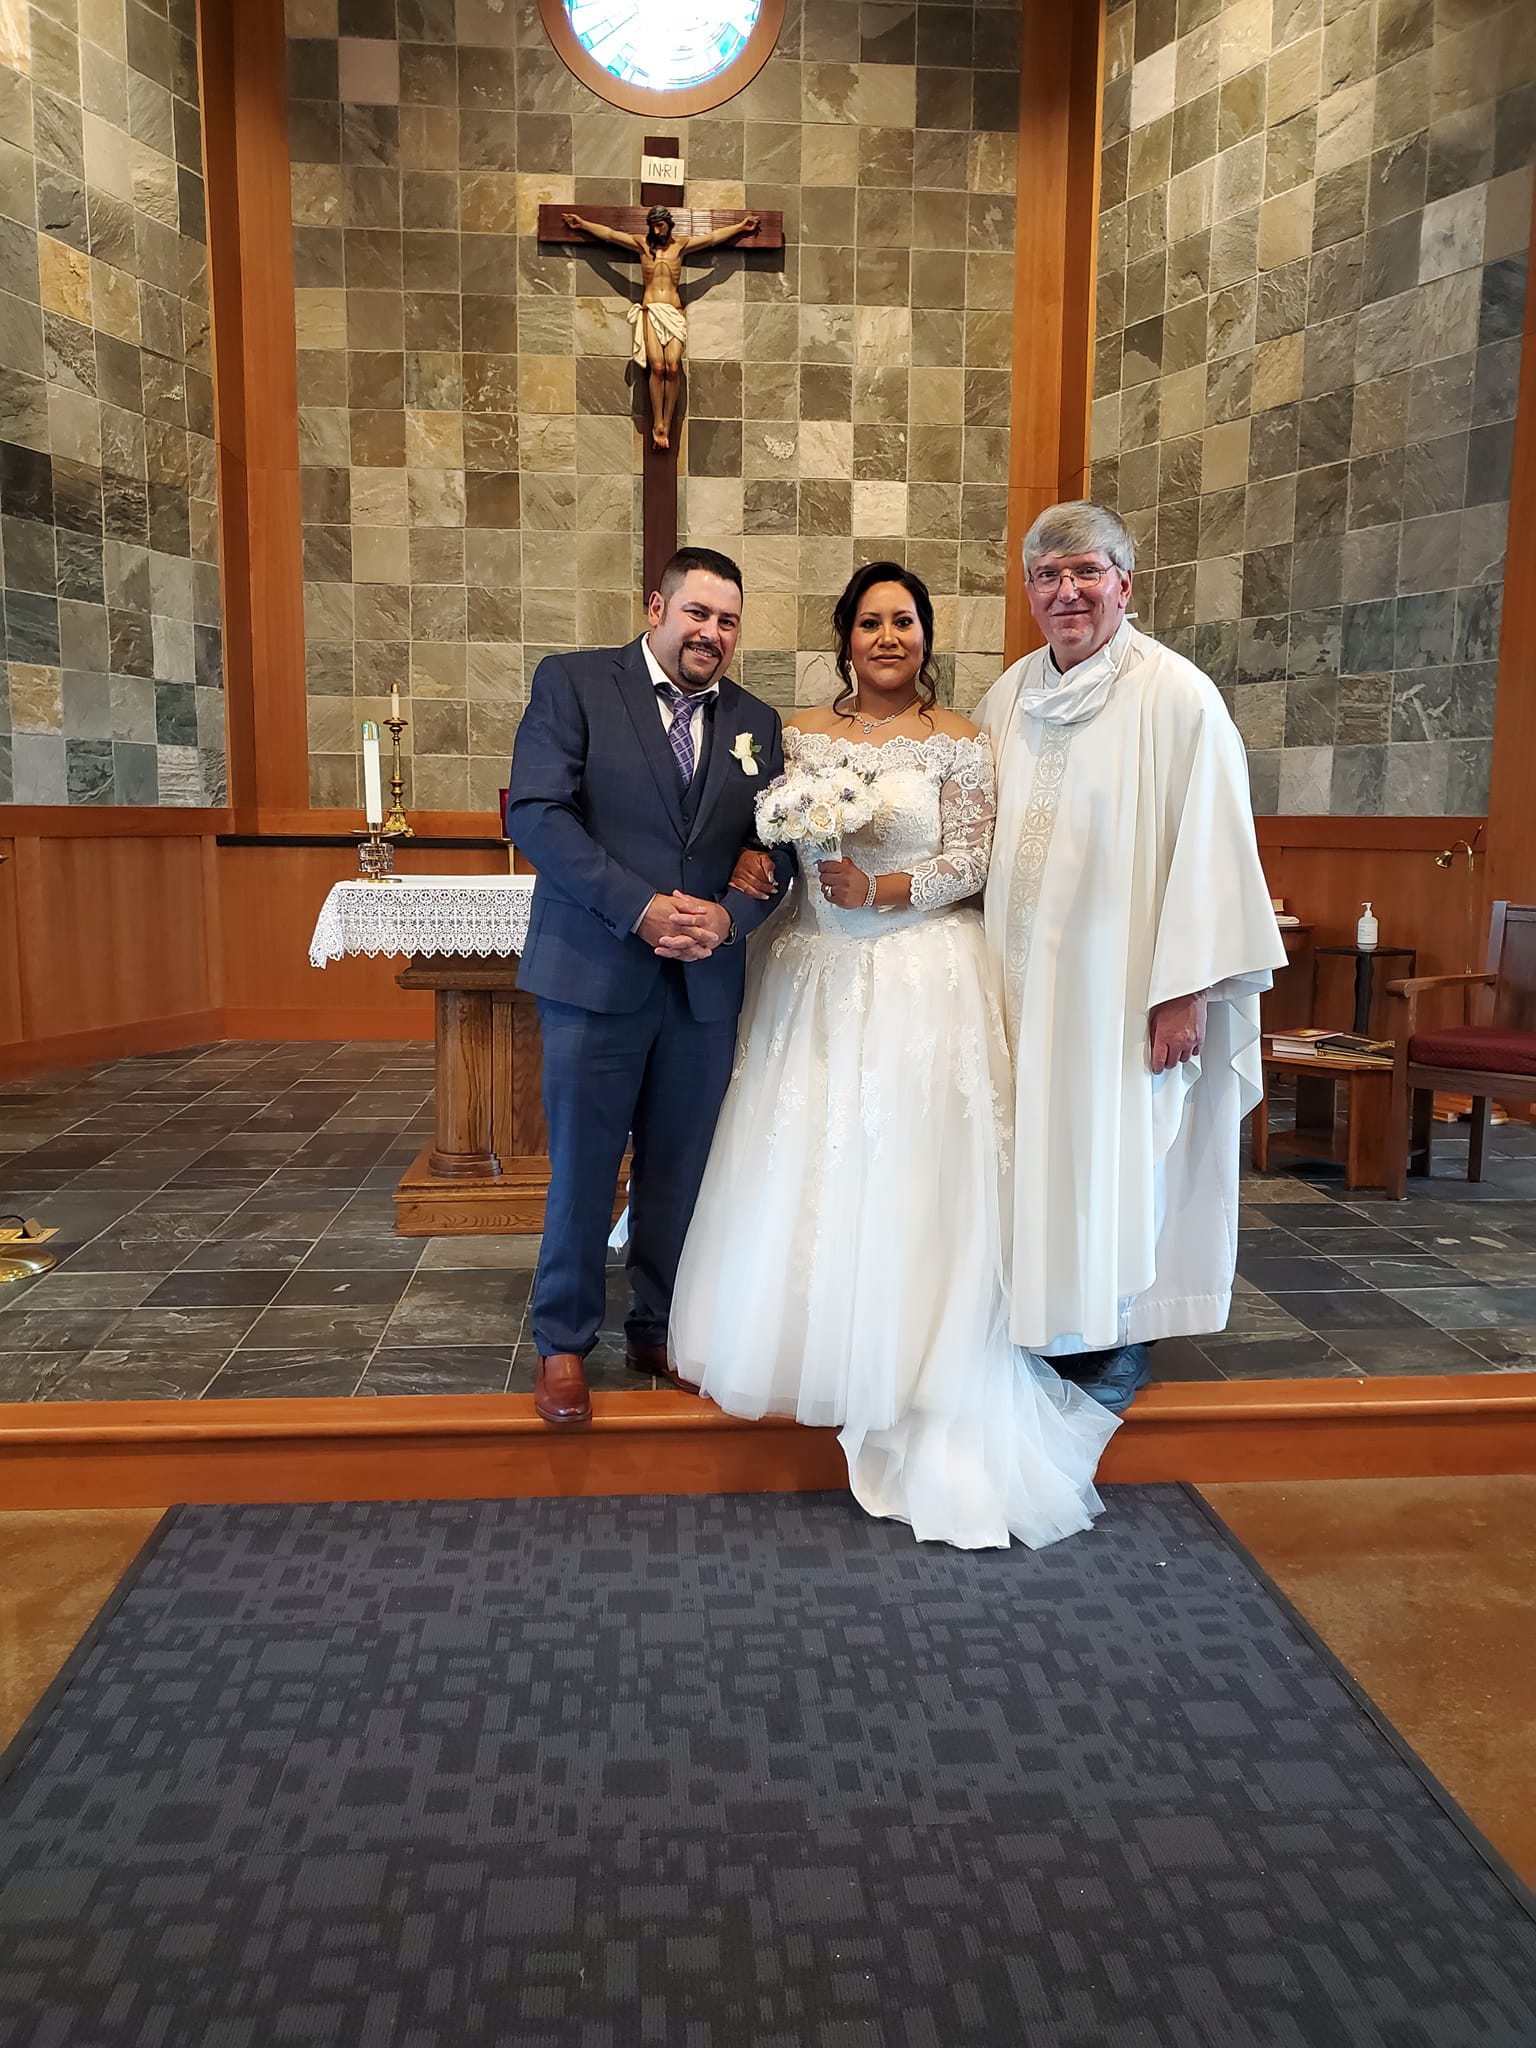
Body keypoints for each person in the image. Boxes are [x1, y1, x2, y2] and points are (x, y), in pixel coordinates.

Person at [669, 564, 1118, 1550]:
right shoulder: (795, 736)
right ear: (845, 637)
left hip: (923, 974)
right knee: (814, 1158)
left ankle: (916, 1351)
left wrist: (885, 888)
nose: (887, 636)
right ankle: (816, 1349)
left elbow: (974, 858)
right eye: (869, 621)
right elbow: (762, 838)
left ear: (925, 636)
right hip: (815, 975)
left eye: (903, 621)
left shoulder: (959, 739)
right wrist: (753, 865)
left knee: (915, 1167)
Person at [974, 501, 1287, 1412]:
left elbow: (1212, 852)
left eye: (1086, 572)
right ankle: (1037, 1319)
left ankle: (1116, 1332)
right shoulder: (1009, 697)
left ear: (1125, 583)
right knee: (1032, 1152)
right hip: (1015, 989)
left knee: (1119, 1152)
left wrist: (1186, 991)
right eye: (1047, 575)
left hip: (1121, 992)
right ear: (1029, 591)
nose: (1067, 592)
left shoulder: (1176, 697)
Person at [505, 547, 794, 1426]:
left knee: (680, 1168)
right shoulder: (575, 684)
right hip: (596, 971)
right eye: (697, 613)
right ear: (656, 607)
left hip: (701, 987)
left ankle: (658, 1325)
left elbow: (776, 844)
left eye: (728, 621)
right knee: (585, 1167)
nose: (712, 633)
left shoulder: (755, 721)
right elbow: (538, 813)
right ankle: (563, 1340)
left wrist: (729, 920)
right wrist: (637, 907)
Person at [560, 206, 760, 449]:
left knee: (673, 366)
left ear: (669, 224)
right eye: (653, 226)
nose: (656, 231)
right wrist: (582, 224)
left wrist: (740, 227)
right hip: (651, 311)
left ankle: (668, 420)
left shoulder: (681, 246)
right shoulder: (642, 246)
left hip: (673, 311)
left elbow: (712, 238)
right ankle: (659, 424)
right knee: (657, 366)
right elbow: (610, 235)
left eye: (660, 225)